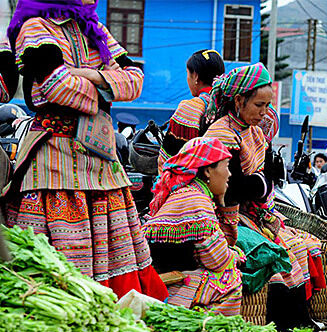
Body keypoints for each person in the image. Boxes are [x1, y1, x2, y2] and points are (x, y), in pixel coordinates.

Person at [4, 0, 168, 301]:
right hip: (55, 160)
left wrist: (93, 76)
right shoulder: (36, 27)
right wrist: (106, 89)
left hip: (102, 162)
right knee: (59, 268)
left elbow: (136, 80)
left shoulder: (94, 29)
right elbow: (55, 85)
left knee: (117, 258)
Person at [203, 63, 324, 330]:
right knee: (278, 253)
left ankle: (297, 325)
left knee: (302, 245)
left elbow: (260, 181)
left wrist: (261, 184)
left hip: (252, 212)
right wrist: (262, 183)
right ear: (238, 100)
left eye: (268, 105)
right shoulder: (222, 134)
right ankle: (286, 327)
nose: (264, 112)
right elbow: (233, 189)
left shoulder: (255, 132)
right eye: (259, 104)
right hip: (225, 216)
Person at [143, 137, 244, 315]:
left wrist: (222, 204)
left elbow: (224, 242)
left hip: (177, 272)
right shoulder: (196, 200)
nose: (229, 174)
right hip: (171, 280)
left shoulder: (194, 194)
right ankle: (205, 329)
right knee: (230, 278)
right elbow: (218, 260)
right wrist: (235, 256)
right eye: (226, 166)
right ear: (207, 171)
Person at [158, 49, 225, 173]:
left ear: (196, 76)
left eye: (188, 74)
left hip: (196, 186)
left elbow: (168, 159)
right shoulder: (231, 104)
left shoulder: (190, 108)